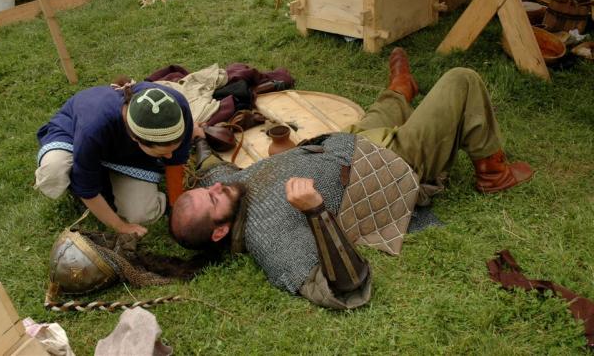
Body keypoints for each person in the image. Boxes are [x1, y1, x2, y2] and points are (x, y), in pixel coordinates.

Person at [168, 48, 534, 309]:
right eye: (212, 198)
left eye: (208, 189)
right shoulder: (271, 239)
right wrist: (315, 211)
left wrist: (199, 139)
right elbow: (345, 290)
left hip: (346, 144)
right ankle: (492, 171)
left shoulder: (230, 191)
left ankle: (402, 87)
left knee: (384, 108)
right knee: (461, 80)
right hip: (387, 166)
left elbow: (211, 169)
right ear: (220, 231)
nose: (216, 187)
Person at [35, 79, 204, 237]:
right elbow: (87, 189)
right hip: (72, 134)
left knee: (142, 214)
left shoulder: (178, 107)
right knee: (54, 171)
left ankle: (101, 175)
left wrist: (177, 206)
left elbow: (175, 161)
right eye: (162, 154)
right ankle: (87, 174)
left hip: (125, 154)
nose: (169, 156)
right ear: (135, 138)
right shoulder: (92, 128)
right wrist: (121, 226)